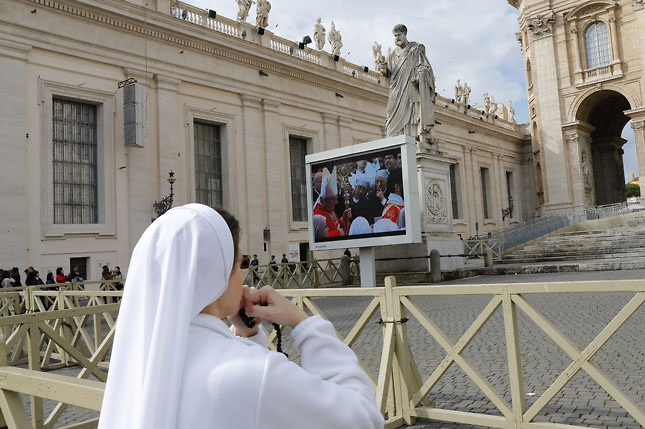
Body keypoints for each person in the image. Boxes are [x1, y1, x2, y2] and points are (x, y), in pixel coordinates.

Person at [98, 204, 383, 429]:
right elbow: (363, 418)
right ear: (217, 272)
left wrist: (248, 336)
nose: (243, 274)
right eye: (241, 263)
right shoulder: (253, 372)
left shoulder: (141, 358)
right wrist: (304, 323)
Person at [382, 24, 436, 149]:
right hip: (396, 90)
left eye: (399, 35)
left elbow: (425, 66)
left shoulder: (416, 49)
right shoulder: (391, 56)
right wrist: (383, 69)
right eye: (395, 36)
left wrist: (420, 73)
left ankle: (414, 137)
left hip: (411, 87)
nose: (396, 38)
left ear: (405, 34)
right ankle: (396, 140)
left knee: (413, 112)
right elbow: (389, 74)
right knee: (390, 113)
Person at [313, 167, 350, 237]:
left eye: (336, 199)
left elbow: (335, 223)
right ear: (324, 200)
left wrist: (343, 218)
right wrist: (339, 233)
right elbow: (321, 236)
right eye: (333, 199)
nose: (336, 202)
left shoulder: (329, 209)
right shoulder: (318, 215)